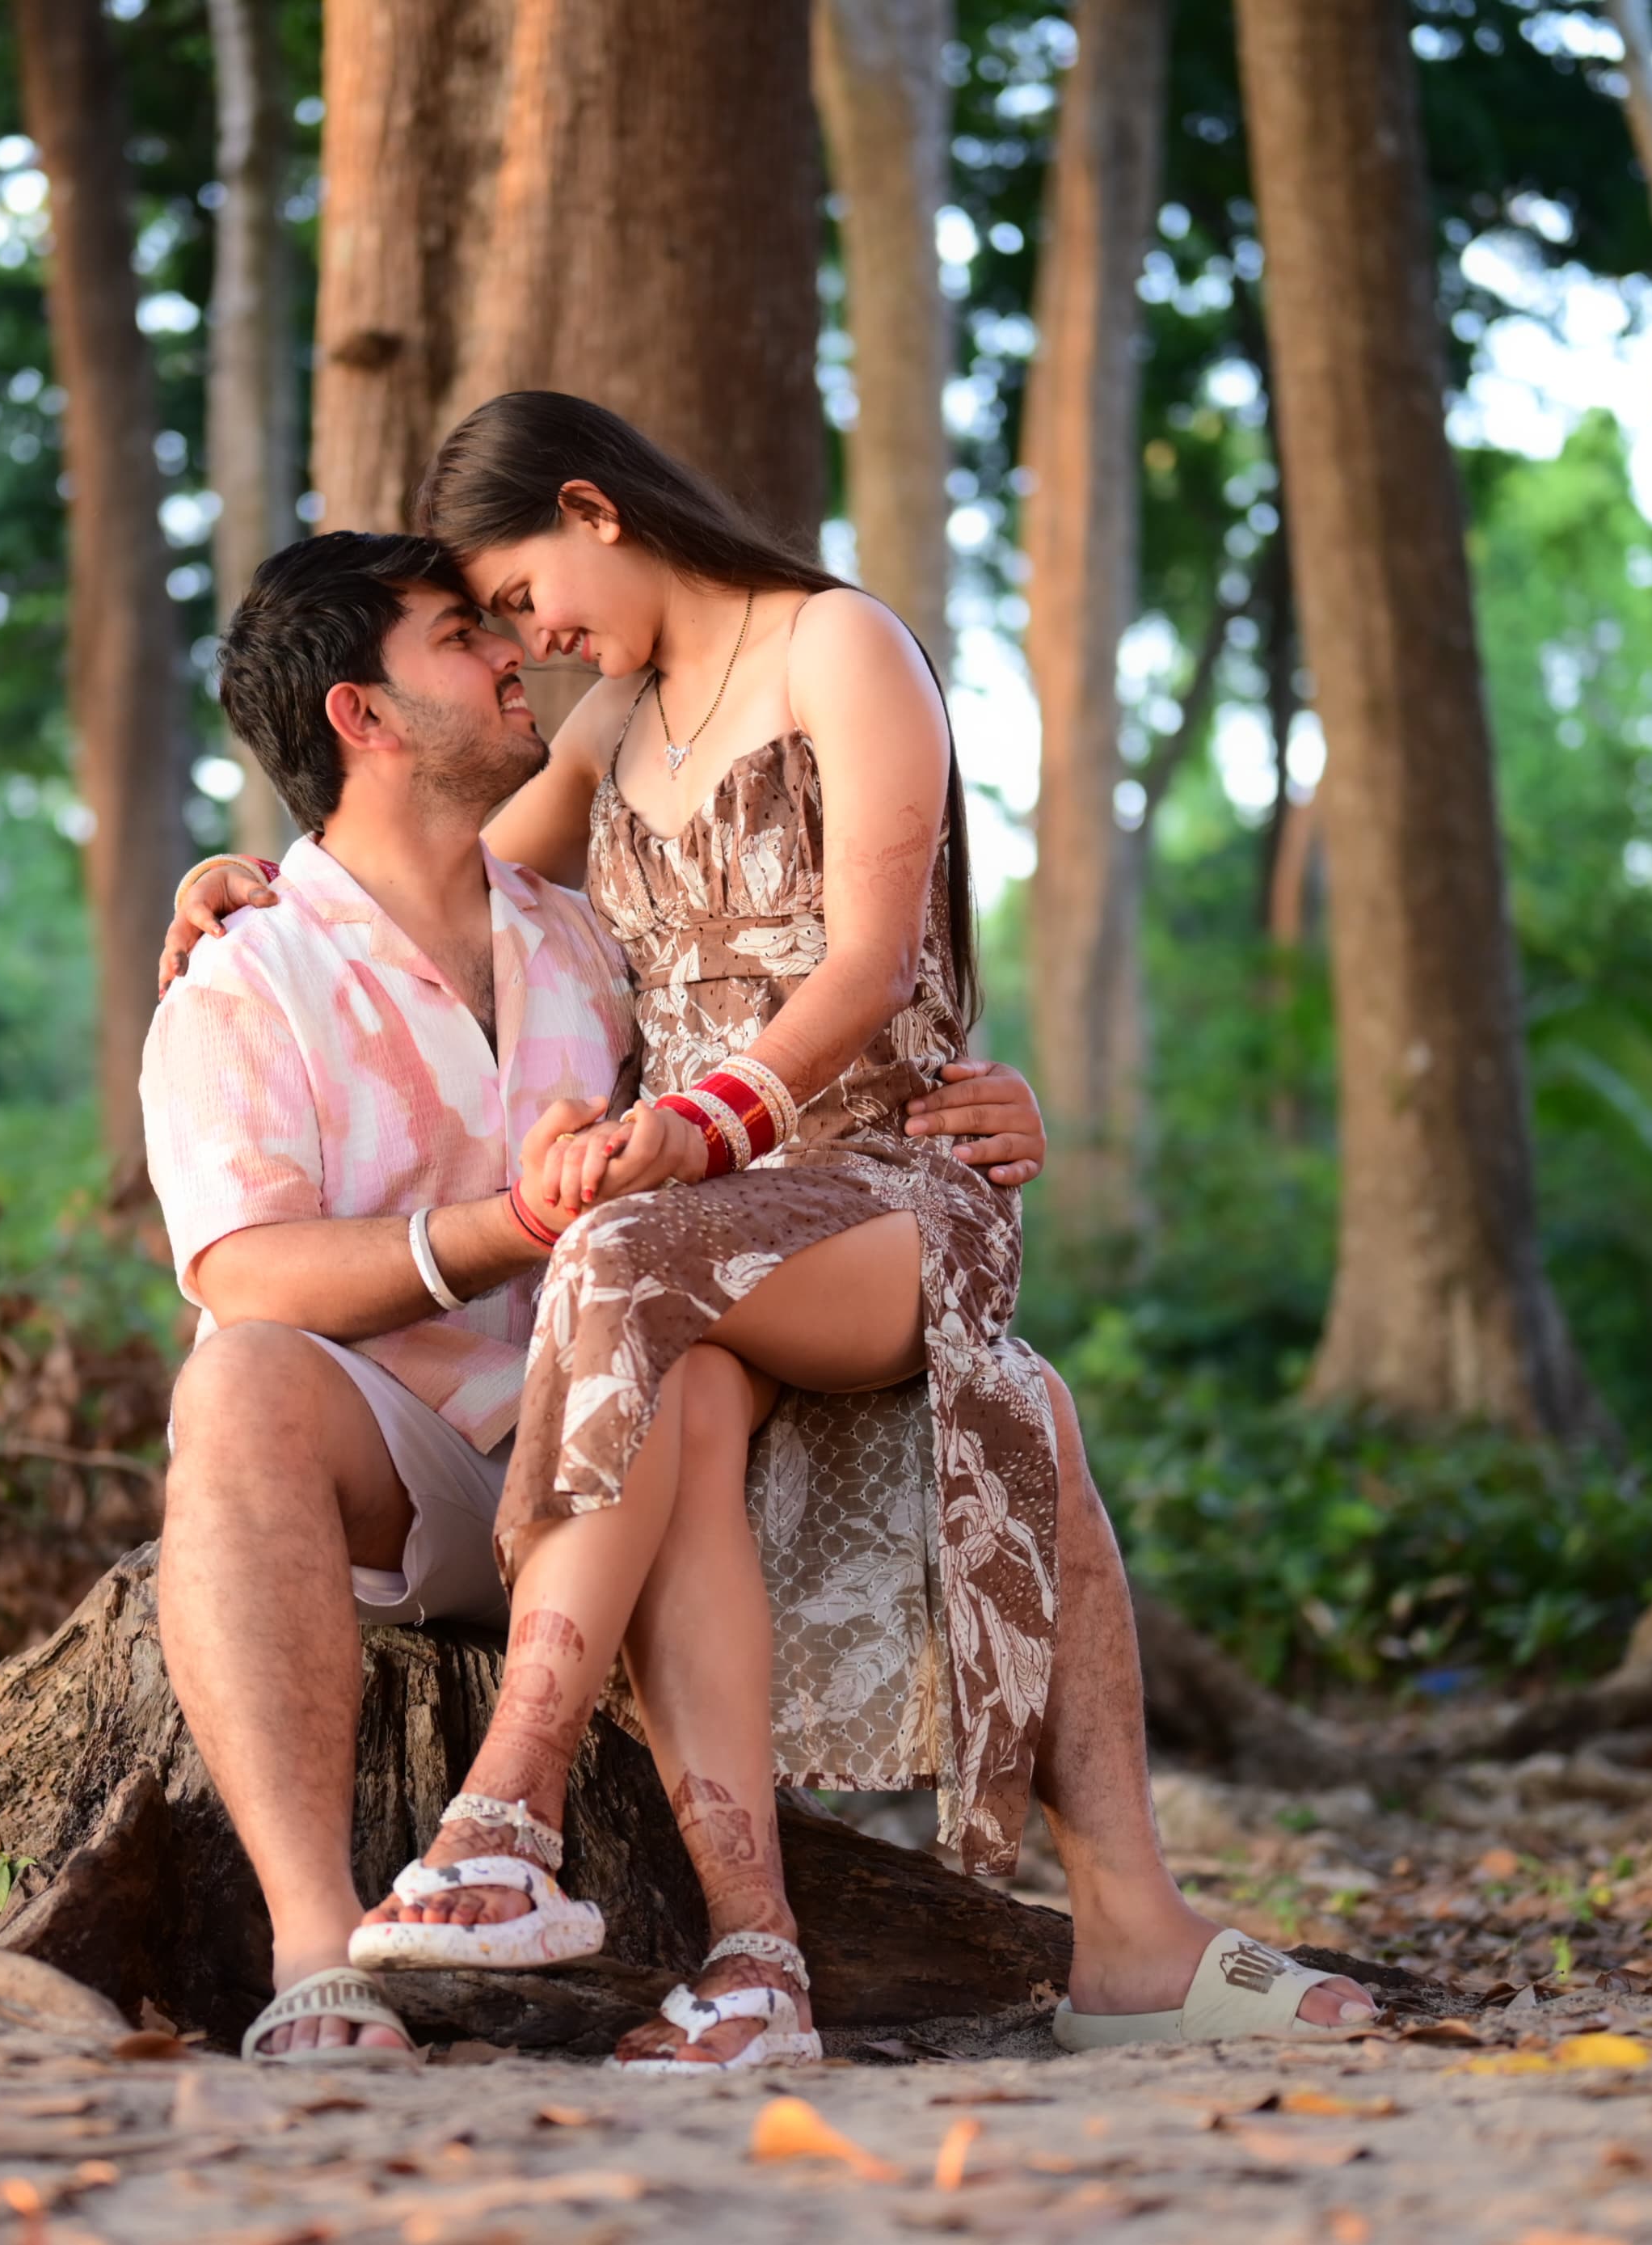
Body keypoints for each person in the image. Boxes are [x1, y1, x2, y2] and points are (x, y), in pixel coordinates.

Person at [154, 501, 1372, 2068]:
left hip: (646, 1445)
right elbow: (242, 1267)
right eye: (464, 635)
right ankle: (323, 1961)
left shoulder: (586, 940)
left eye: (507, 614)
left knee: (992, 1389)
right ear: (362, 717)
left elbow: (796, 1034)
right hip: (413, 1467)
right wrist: (509, 1223)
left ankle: (844, 1947)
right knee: (236, 1377)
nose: (517, 651)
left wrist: (968, 1095)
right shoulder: (253, 967)